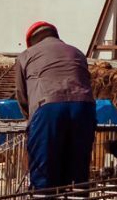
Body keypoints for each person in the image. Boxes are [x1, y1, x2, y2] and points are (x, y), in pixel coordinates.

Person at [15, 21, 97, 191]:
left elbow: (22, 95)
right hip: (84, 108)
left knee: (44, 175)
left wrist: (30, 119)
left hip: (48, 109)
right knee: (78, 175)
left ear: (32, 41)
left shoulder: (26, 55)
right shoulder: (78, 53)